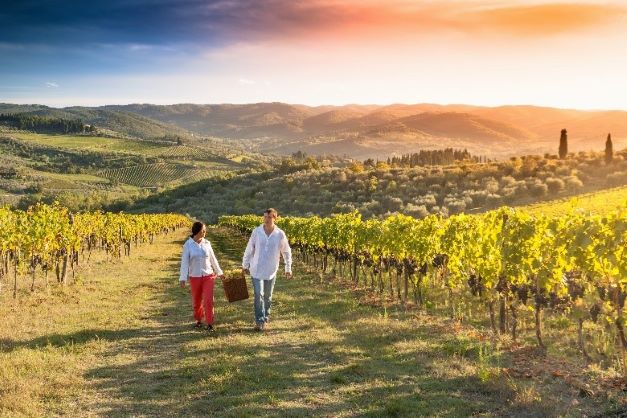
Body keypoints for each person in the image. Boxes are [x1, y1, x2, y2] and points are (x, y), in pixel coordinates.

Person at [242, 208, 292, 331]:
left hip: (271, 270)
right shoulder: (257, 232)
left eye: (269, 217)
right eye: (265, 217)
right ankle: (259, 321)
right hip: (256, 269)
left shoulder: (280, 234)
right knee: (259, 294)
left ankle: (266, 315)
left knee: (268, 296)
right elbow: (249, 249)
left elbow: (286, 251)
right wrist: (245, 264)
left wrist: (288, 267)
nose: (266, 219)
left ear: (275, 218)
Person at [179, 221, 225, 332]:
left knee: (209, 300)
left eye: (205, 230)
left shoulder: (207, 243)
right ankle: (199, 320)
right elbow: (184, 262)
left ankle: (209, 323)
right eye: (203, 230)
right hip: (194, 277)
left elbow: (213, 259)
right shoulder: (188, 245)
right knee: (197, 301)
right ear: (197, 231)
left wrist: (220, 273)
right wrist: (182, 278)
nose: (205, 232)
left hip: (208, 276)